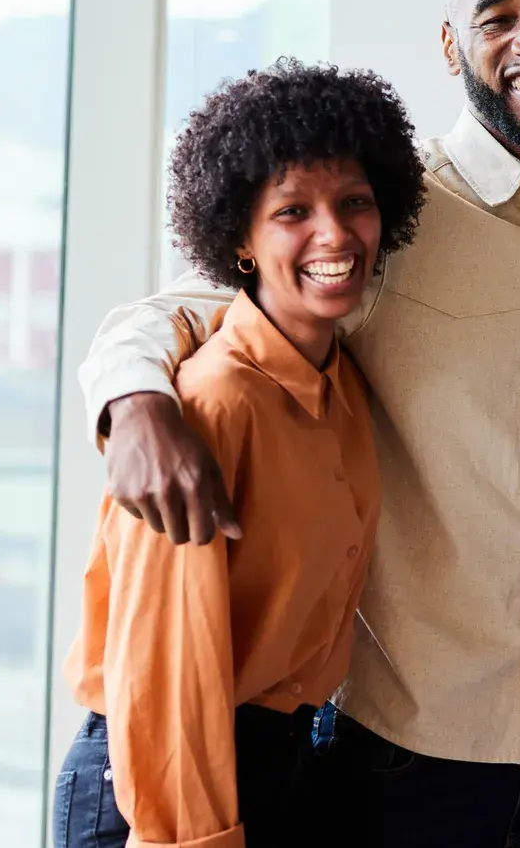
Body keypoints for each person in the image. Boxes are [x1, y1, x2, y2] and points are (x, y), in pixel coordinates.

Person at [76, 0, 520, 847]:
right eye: (497, 17)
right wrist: (132, 400)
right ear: (451, 46)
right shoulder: (379, 218)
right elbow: (190, 307)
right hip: (406, 737)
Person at [54, 61, 427, 847]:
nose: (333, 233)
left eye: (354, 203)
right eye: (293, 210)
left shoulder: (346, 386)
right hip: (163, 785)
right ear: (240, 240)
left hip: (283, 764)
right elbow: (165, 673)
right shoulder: (212, 403)